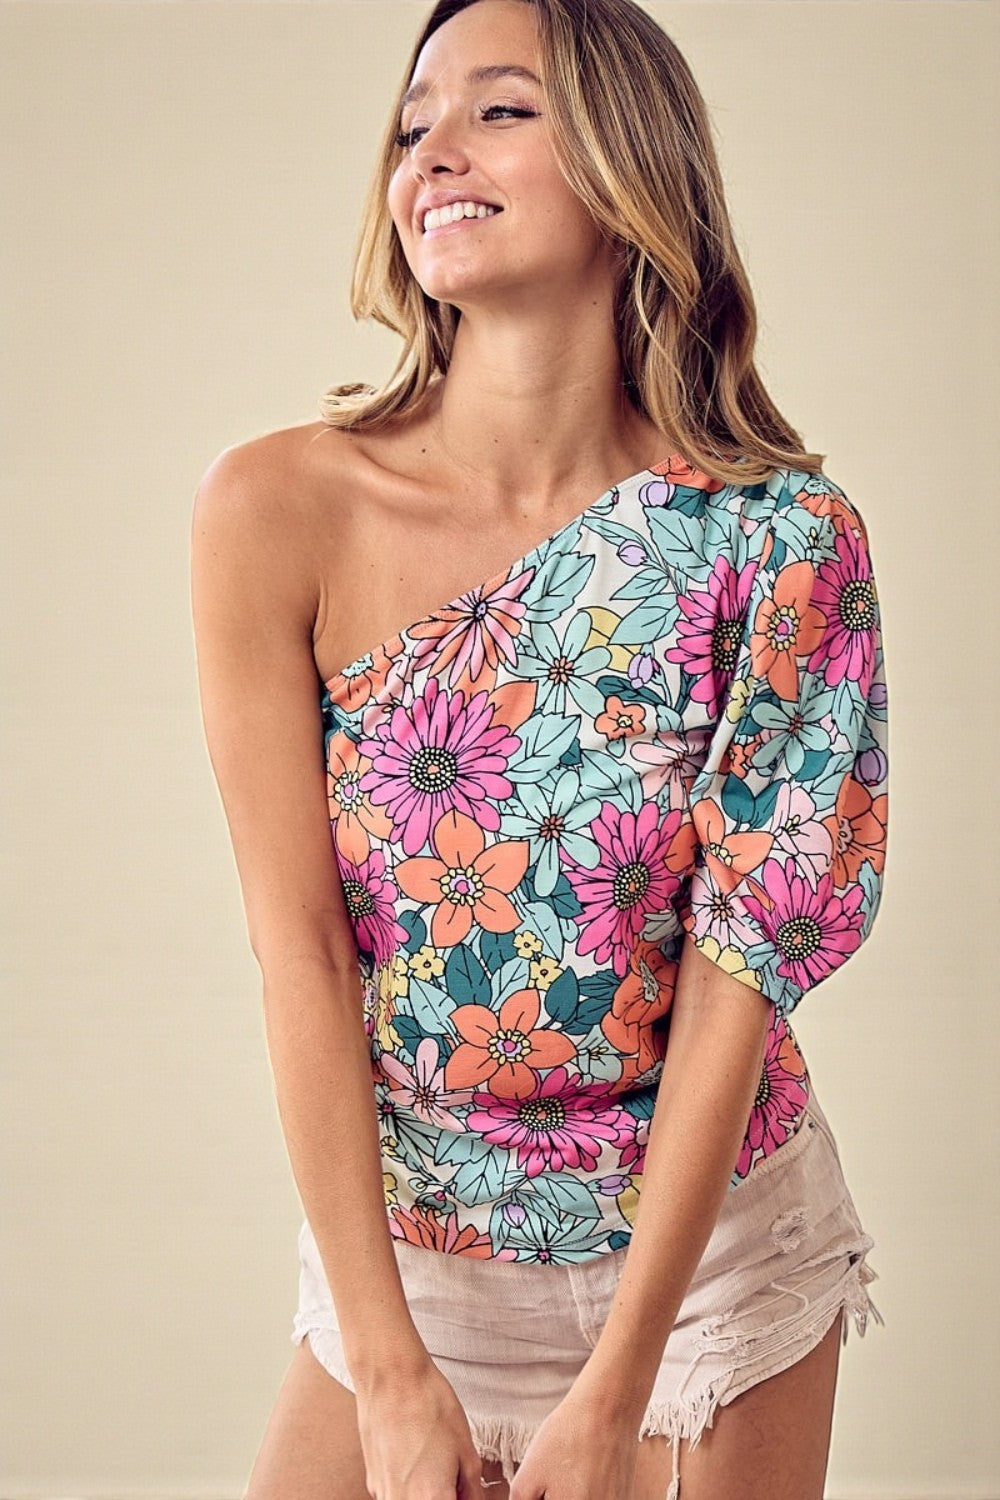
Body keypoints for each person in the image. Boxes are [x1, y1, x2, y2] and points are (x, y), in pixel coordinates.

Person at [190, 0, 889, 1496]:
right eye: (410, 123)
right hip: (415, 1257)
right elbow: (301, 953)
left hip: (708, 1271)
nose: (431, 152)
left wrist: (620, 1383)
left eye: (498, 109)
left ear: (632, 169)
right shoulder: (276, 510)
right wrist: (385, 1366)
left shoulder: (779, 543)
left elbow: (740, 965)